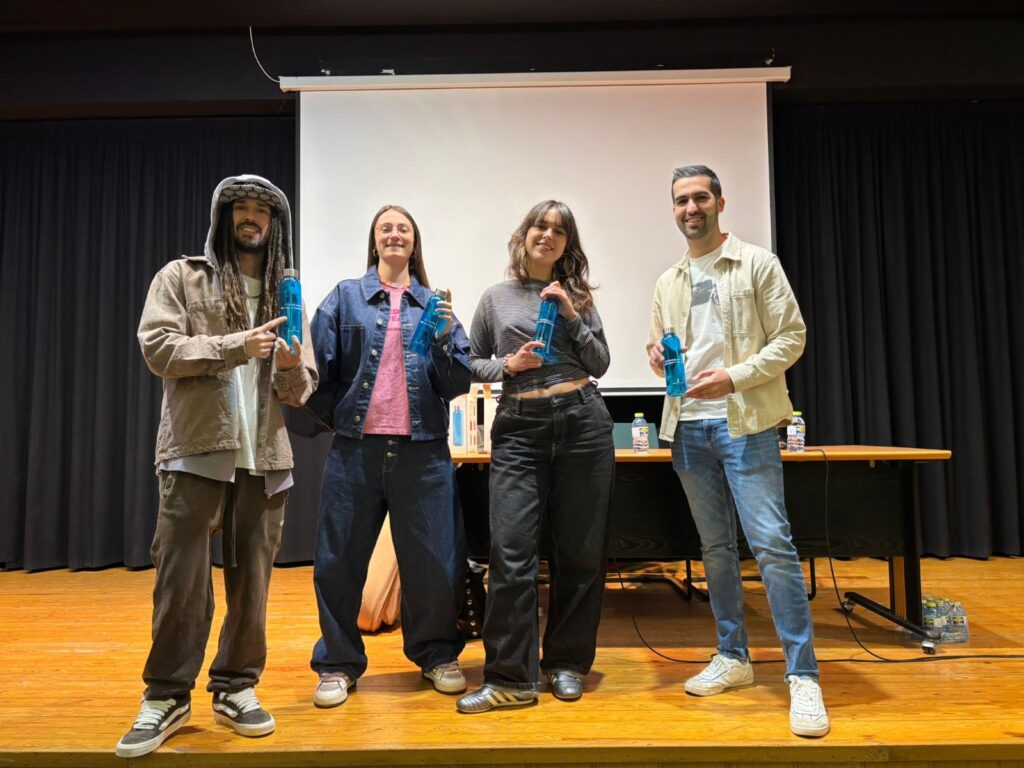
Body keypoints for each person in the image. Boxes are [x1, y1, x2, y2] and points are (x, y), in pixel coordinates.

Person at [118, 175, 318, 758]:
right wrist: (236, 345)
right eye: (242, 208)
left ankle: (236, 686)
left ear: (275, 224)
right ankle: (167, 695)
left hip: (266, 457)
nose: (252, 217)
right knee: (180, 582)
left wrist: (289, 366)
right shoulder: (181, 277)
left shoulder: (287, 294)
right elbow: (158, 347)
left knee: (252, 587)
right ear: (223, 216)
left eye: (262, 210)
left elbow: (301, 389)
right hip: (196, 450)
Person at [646, 165, 829, 737]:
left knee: (772, 545)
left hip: (744, 423)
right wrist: (655, 356)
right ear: (673, 209)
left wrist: (734, 377)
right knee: (716, 548)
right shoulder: (668, 280)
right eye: (681, 200)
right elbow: (659, 344)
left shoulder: (757, 263)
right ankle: (733, 656)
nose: (691, 207)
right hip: (686, 428)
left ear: (720, 203)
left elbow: (792, 336)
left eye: (701, 197)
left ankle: (803, 675)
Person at [307, 205, 472, 708]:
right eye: (386, 228)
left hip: (423, 454)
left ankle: (437, 655)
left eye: (404, 228)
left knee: (435, 564)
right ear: (374, 240)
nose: (395, 234)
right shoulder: (344, 298)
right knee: (338, 562)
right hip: (355, 451)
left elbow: (458, 382)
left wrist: (442, 340)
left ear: (414, 242)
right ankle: (338, 663)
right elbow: (315, 369)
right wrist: (337, 420)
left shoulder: (436, 306)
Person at [457, 200, 614, 713]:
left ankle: (567, 664)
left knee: (580, 554)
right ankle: (511, 679)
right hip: (520, 427)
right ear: (524, 234)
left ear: (567, 245)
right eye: (540, 226)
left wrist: (571, 314)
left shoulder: (579, 297)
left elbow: (600, 363)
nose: (547, 235)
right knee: (511, 555)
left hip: (583, 422)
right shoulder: (495, 298)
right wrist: (509, 365)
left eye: (559, 231)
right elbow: (469, 363)